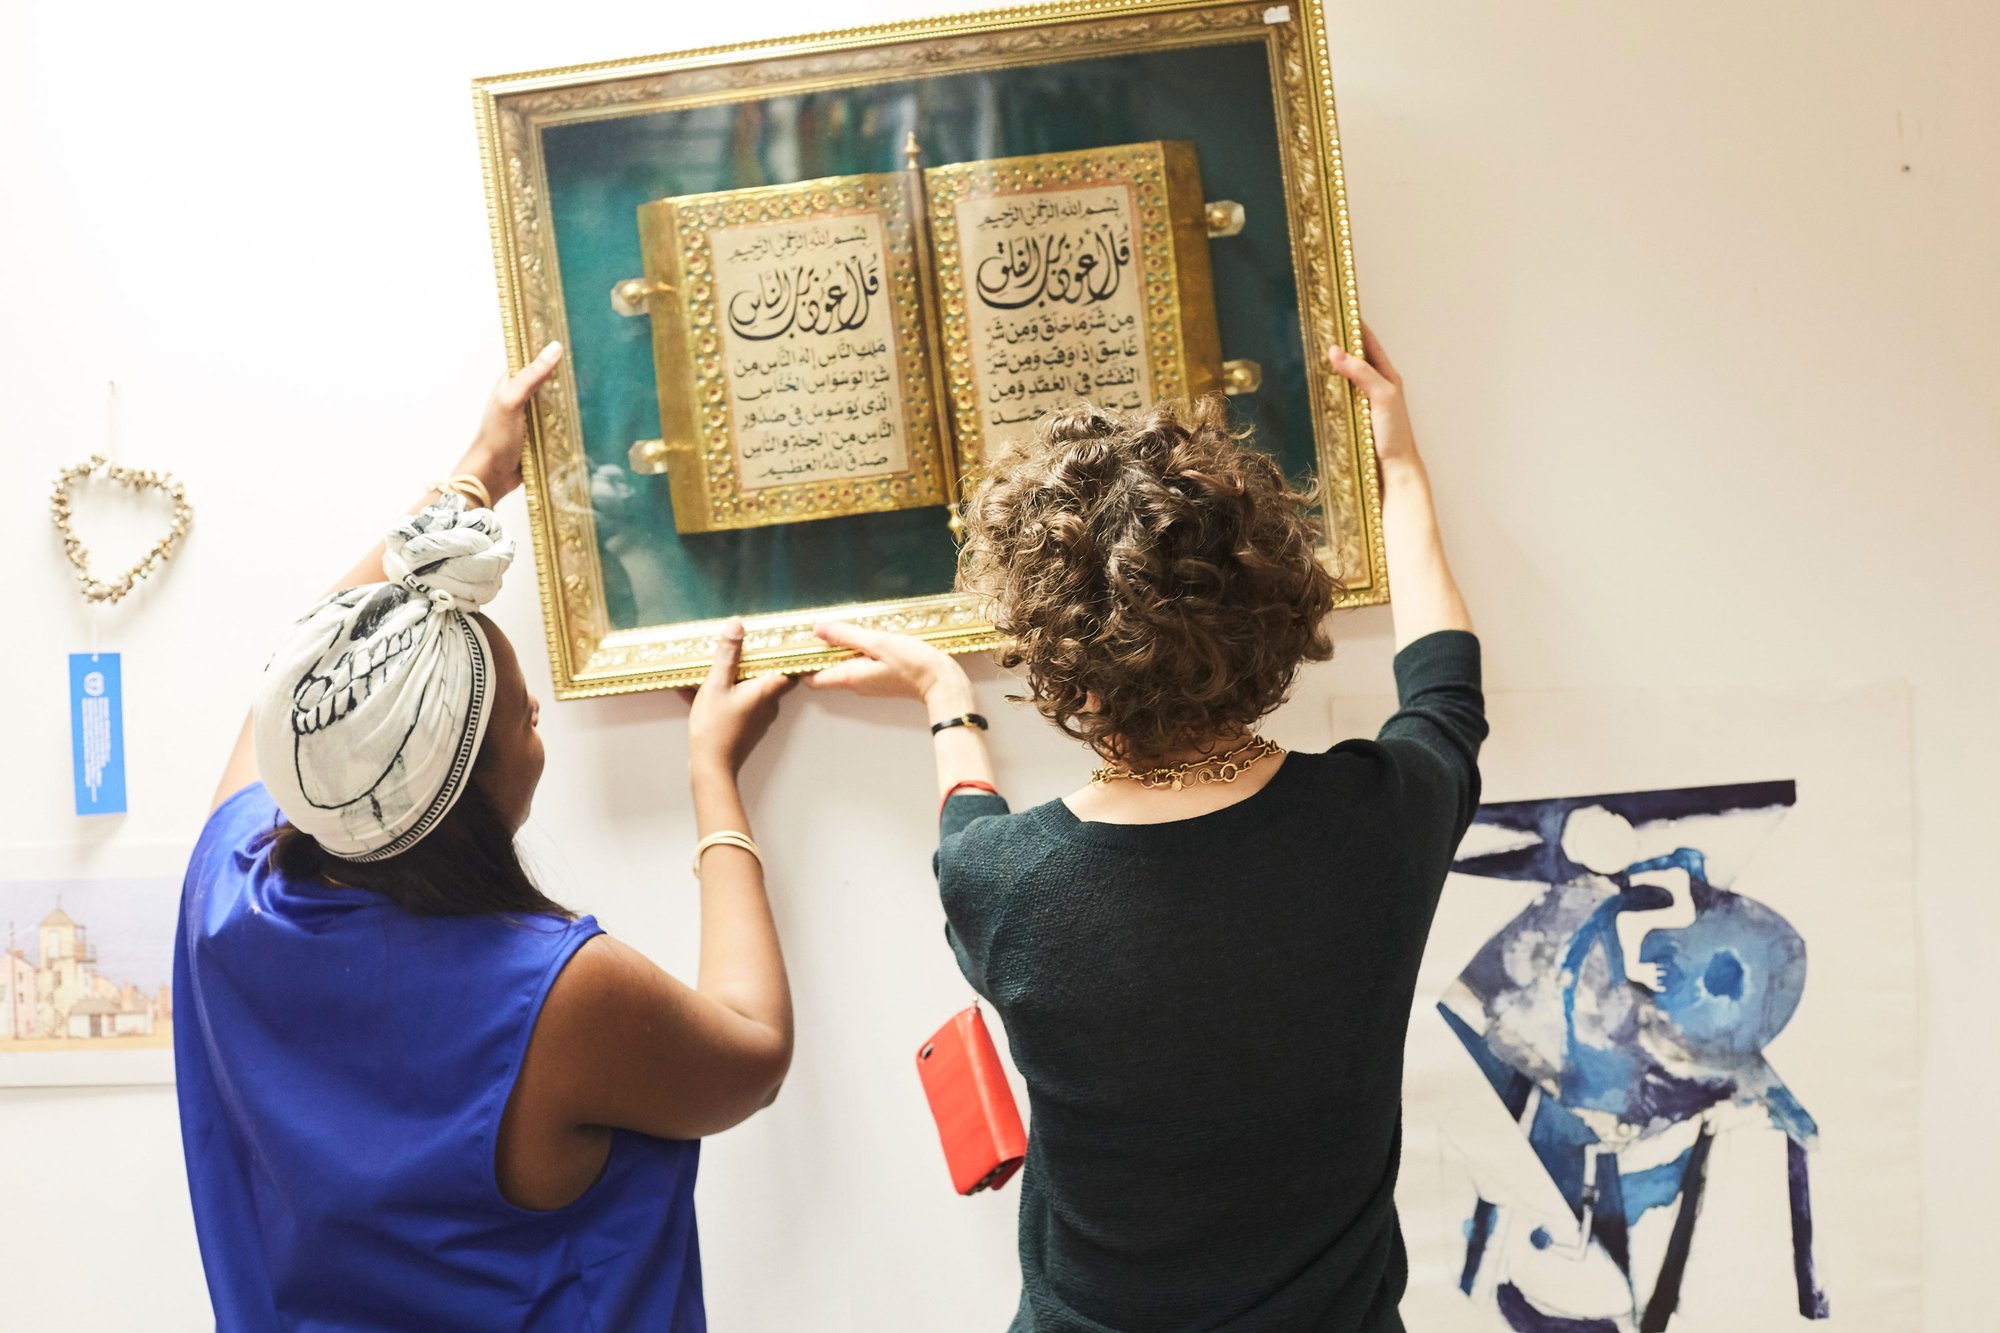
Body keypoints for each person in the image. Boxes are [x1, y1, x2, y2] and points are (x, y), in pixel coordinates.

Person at [810, 325, 1484, 1332]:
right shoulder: (1377, 821)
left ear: (1055, 662)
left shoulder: (1002, 882)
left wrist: (944, 695)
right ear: (1272, 609)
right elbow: (1442, 685)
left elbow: (966, 821)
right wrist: (1399, 461)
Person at [175, 343, 796, 1331]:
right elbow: (753, 1055)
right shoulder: (554, 990)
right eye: (523, 717)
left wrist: (475, 477)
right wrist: (713, 776)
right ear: (479, 793)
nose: (539, 706)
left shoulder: (231, 885)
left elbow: (302, 672)